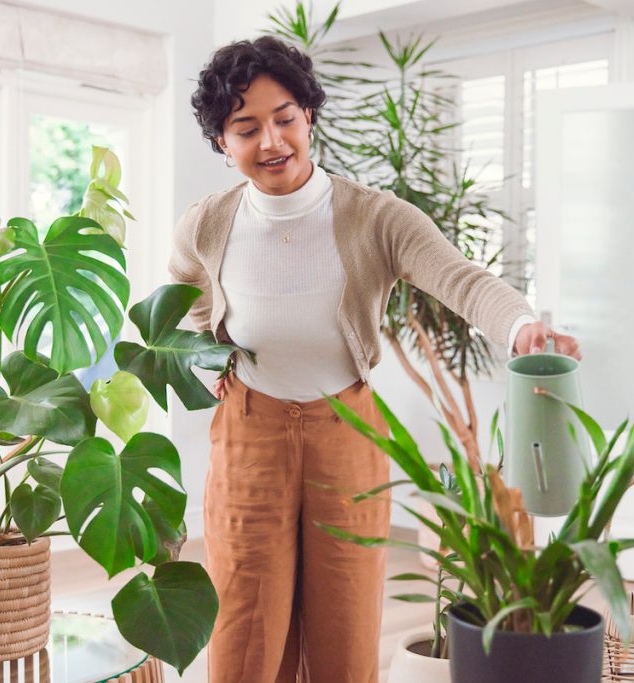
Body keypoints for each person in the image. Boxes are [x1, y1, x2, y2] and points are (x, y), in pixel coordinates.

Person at [171, 35, 580, 683]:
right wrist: (210, 357)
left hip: (348, 430)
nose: (272, 141)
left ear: (310, 116)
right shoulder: (207, 223)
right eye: (246, 128)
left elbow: (462, 278)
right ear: (223, 143)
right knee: (246, 624)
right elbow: (187, 292)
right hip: (250, 432)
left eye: (284, 118)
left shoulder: (375, 218)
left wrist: (523, 327)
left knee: (346, 620)